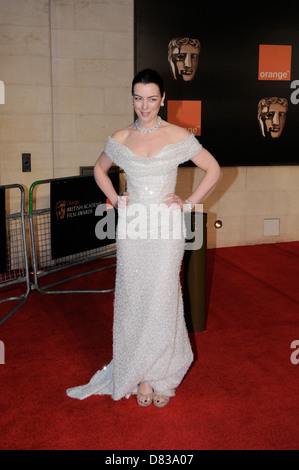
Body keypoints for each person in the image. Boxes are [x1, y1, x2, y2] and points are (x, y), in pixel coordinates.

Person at [67, 69, 221, 407]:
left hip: (166, 226)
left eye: (152, 98)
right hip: (133, 227)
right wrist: (117, 198)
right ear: (132, 98)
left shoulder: (178, 135)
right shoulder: (120, 138)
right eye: (138, 98)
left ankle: (158, 375)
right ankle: (136, 370)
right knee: (133, 296)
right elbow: (98, 169)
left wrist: (189, 203)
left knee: (163, 296)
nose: (145, 105)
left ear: (163, 99)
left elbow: (213, 168)